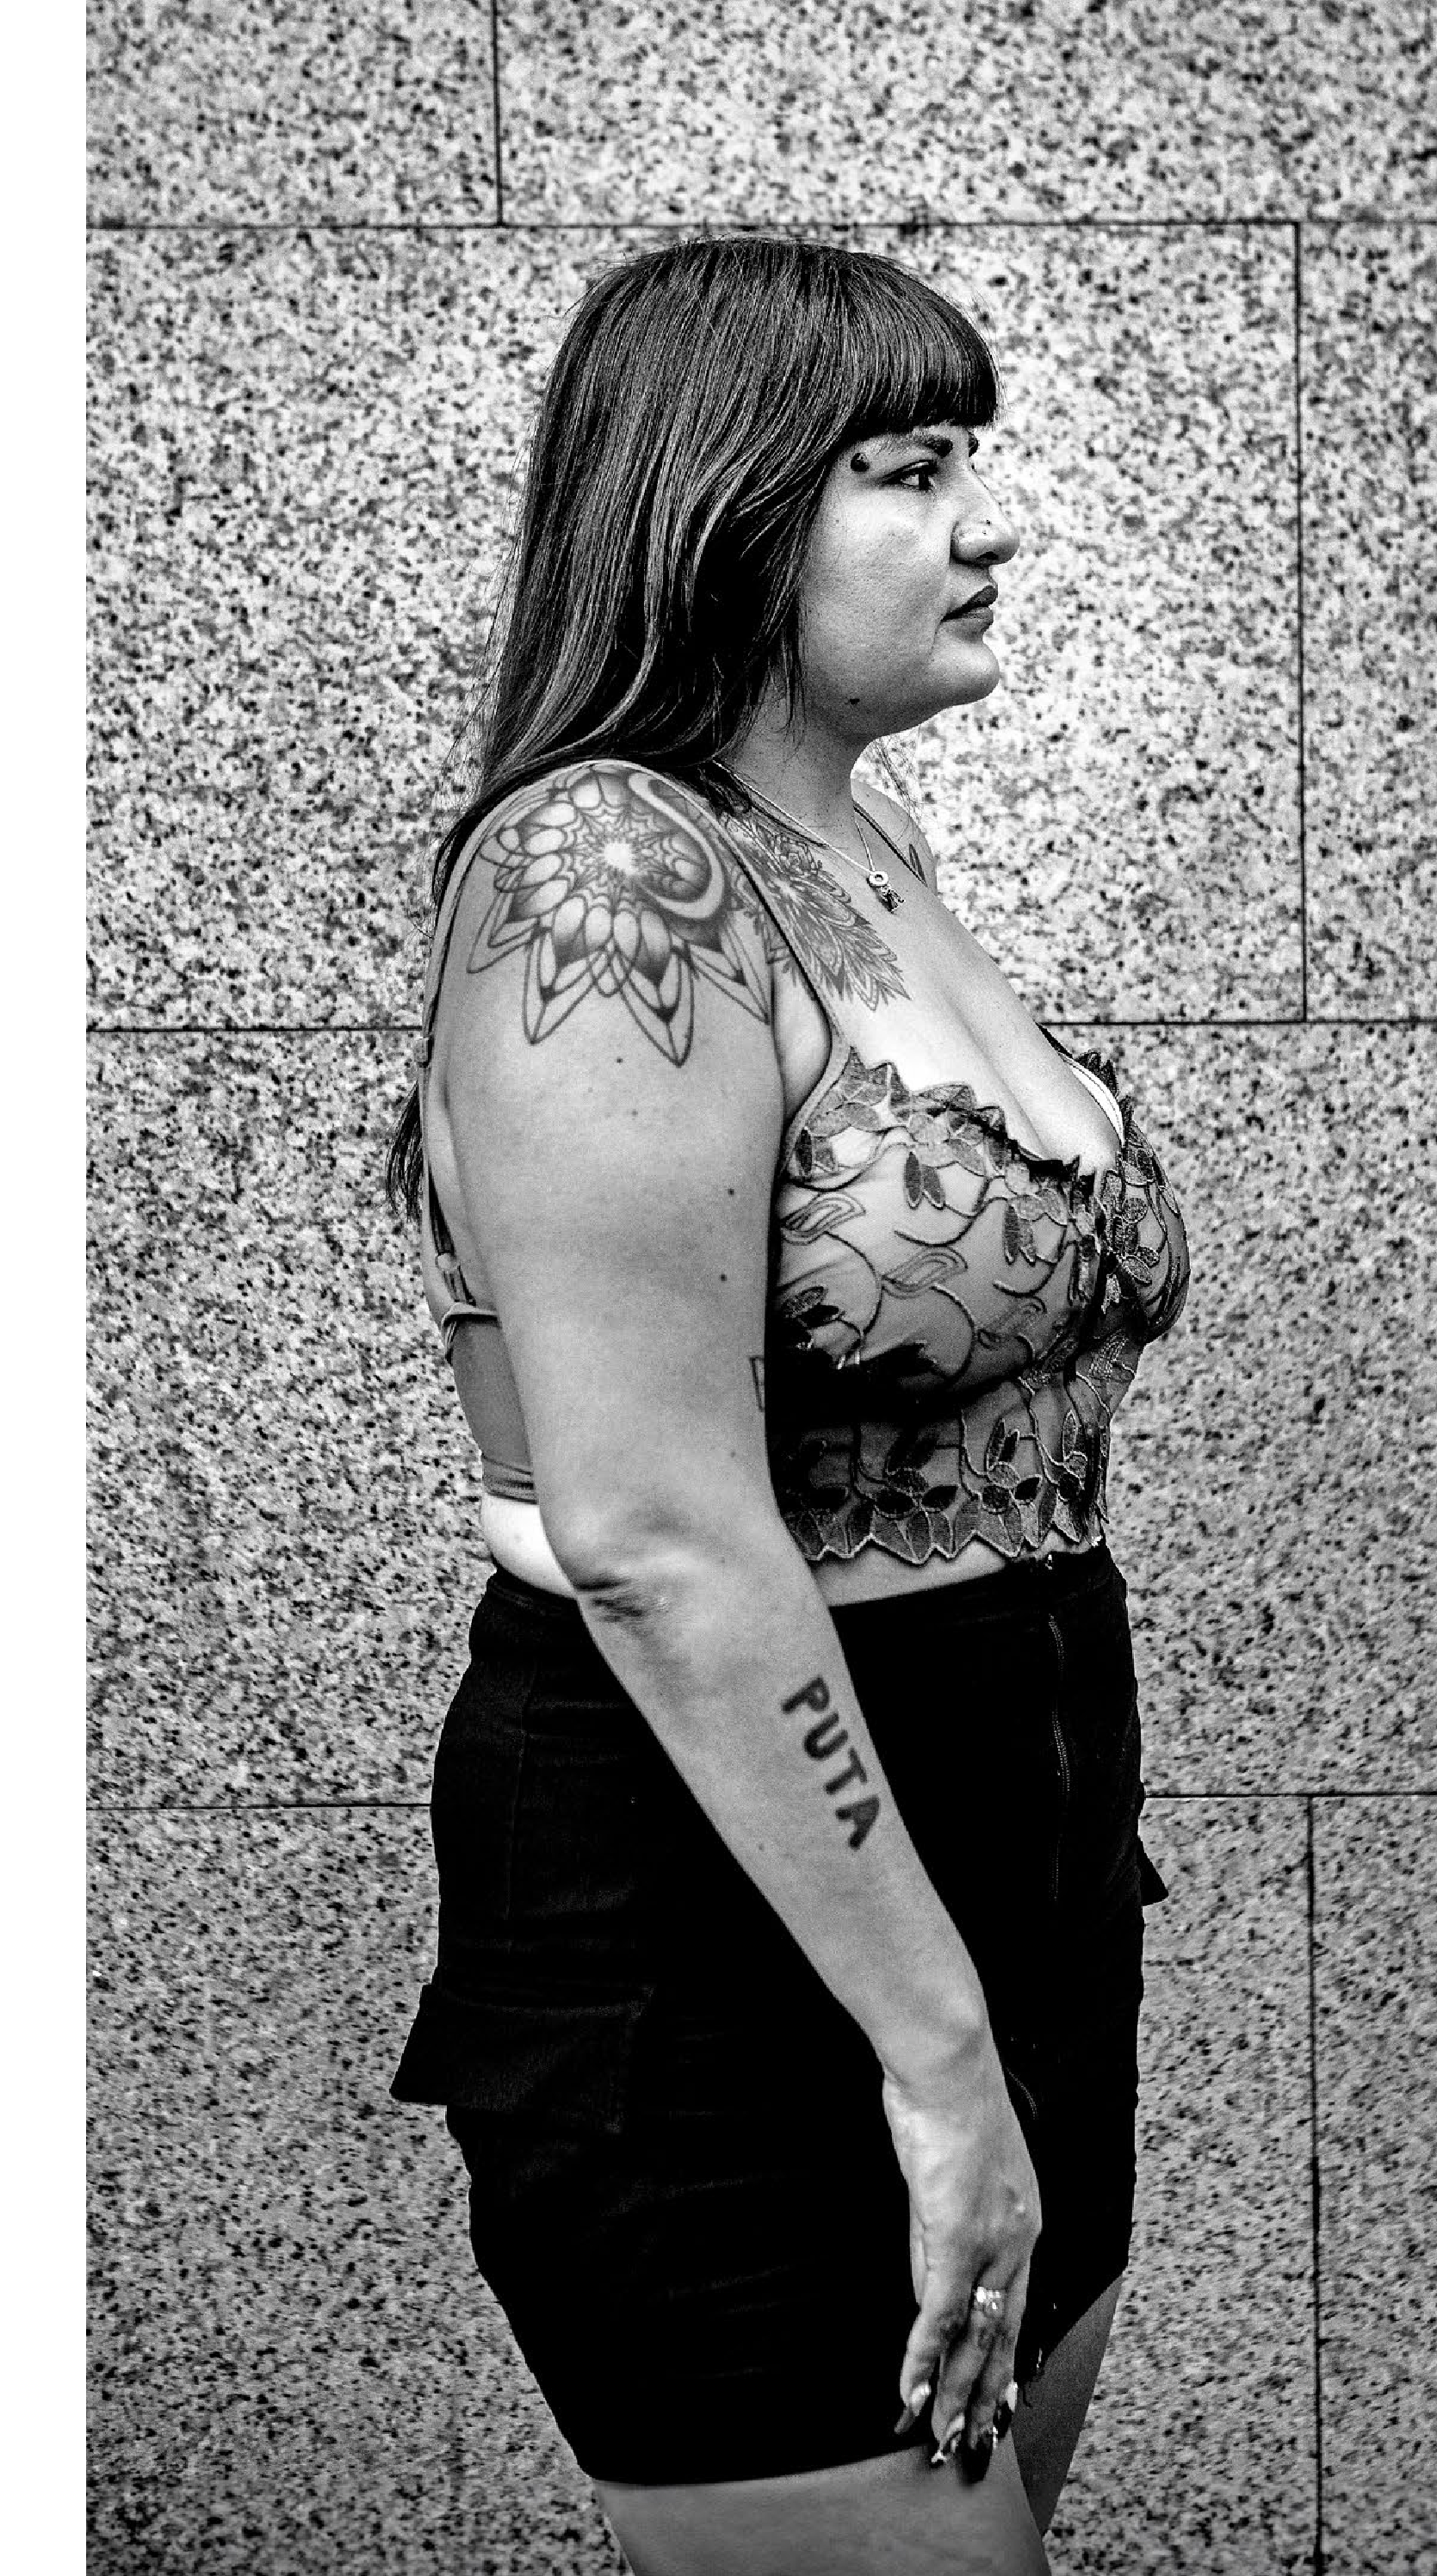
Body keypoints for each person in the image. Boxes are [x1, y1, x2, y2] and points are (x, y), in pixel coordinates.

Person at [387, 236, 1190, 2576]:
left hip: (1021, 1860)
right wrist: (933, 2058)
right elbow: (650, 1536)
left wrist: (991, 2007)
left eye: (973, 465)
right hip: (733, 1921)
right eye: (909, 469)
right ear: (724, 504)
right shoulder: (607, 872)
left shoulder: (856, 844)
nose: (988, 525)